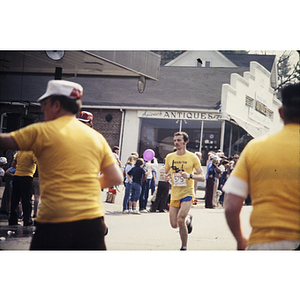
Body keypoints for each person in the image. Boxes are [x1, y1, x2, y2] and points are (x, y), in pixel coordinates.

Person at [0, 79, 123, 250]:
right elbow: (116, 177)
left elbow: (5, 141)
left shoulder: (43, 131)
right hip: (91, 222)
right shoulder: (97, 138)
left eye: (45, 104)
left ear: (56, 105)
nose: (43, 109)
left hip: (54, 222)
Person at [223, 83, 300, 250]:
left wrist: (240, 240)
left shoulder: (255, 147)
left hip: (266, 242)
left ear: (281, 113)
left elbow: (231, 206)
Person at [164, 132, 205, 250]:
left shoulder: (192, 157)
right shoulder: (170, 157)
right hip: (175, 193)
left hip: (187, 192)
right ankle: (188, 218)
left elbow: (202, 176)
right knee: (174, 224)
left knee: (180, 219)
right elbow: (165, 172)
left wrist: (190, 176)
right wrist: (166, 177)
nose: (176, 142)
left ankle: (184, 246)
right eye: (175, 140)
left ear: (185, 142)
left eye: (178, 140)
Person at [8, 151, 37, 226]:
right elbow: (38, 162)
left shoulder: (20, 152)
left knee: (15, 199)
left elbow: (13, 164)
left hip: (17, 177)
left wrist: (21, 167)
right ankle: (27, 220)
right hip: (27, 177)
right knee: (26, 200)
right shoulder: (33, 153)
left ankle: (12, 220)